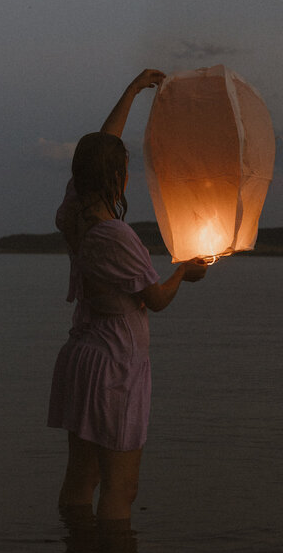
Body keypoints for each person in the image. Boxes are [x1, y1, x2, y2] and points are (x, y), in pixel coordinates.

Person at [47, 69, 208, 526]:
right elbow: (154, 299)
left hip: (84, 356)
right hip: (115, 366)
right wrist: (183, 274)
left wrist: (134, 91)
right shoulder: (115, 235)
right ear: (117, 176)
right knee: (122, 486)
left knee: (82, 477)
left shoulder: (72, 212)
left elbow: (100, 143)